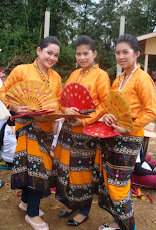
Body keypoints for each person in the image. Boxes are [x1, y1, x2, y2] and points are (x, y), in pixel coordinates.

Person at [0, 36, 62, 230]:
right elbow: (3, 93)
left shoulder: (56, 78)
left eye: (56, 55)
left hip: (46, 130)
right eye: (48, 53)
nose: (51, 58)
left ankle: (25, 202)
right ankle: (32, 214)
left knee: (31, 167)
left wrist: (48, 116)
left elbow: (56, 104)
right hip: (26, 128)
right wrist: (15, 108)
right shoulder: (21, 70)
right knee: (39, 168)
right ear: (38, 51)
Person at [98, 34, 156, 230]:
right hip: (113, 136)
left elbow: (151, 112)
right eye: (117, 52)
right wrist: (107, 116)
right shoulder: (119, 79)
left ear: (137, 54)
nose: (121, 56)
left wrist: (128, 128)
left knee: (119, 184)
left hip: (129, 138)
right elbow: (111, 107)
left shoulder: (143, 79)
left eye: (125, 52)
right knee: (110, 180)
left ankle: (128, 226)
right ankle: (117, 222)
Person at [52, 35, 111, 226]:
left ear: (94, 53)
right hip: (69, 130)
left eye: (86, 53)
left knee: (83, 172)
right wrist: (66, 110)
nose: (82, 57)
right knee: (67, 169)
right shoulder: (74, 74)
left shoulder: (101, 76)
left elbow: (105, 105)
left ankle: (83, 210)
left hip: (87, 133)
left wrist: (85, 121)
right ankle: (71, 203)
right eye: (79, 54)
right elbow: (64, 99)